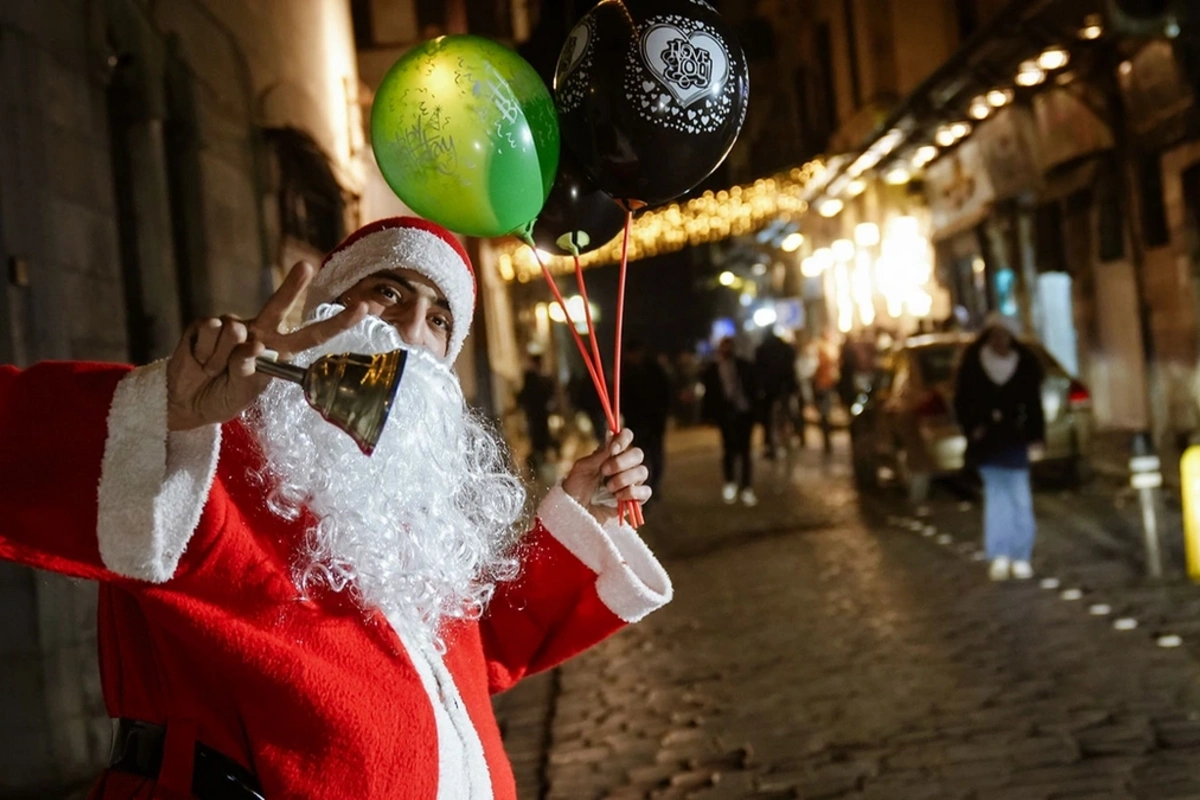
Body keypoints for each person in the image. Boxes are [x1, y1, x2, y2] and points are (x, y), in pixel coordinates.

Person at [0, 216, 670, 799]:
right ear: (327, 314)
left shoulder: (416, 513)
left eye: (438, 319)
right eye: (388, 293)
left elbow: (463, 662)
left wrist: (578, 516)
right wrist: (168, 408)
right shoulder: (220, 450)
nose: (410, 330)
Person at [953, 313, 1045, 582]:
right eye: (995, 335)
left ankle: (1021, 555)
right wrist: (974, 427)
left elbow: (1033, 405)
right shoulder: (974, 364)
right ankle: (1000, 554)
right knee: (997, 498)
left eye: (1004, 335)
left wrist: (1036, 436)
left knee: (1019, 498)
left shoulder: (1025, 365)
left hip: (1015, 441)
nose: (1000, 340)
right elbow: (962, 402)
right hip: (988, 444)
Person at [701, 337, 758, 506]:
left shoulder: (743, 365)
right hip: (726, 415)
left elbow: (752, 386)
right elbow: (710, 395)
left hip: (744, 412)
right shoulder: (713, 370)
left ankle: (746, 486)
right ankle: (730, 482)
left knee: (745, 451)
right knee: (728, 450)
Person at [620, 340, 673, 497]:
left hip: (654, 421)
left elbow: (665, 392)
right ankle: (645, 488)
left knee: (656, 455)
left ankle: (655, 487)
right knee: (641, 457)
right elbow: (622, 398)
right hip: (636, 423)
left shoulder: (653, 369)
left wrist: (663, 414)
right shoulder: (626, 372)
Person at [754, 331, 799, 460]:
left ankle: (772, 445)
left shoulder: (763, 349)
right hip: (784, 388)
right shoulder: (785, 348)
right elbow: (791, 367)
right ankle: (791, 438)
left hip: (771, 389)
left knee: (770, 419)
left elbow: (759, 371)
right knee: (787, 414)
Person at [517, 353, 556, 474]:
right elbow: (526, 396)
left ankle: (540, 459)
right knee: (537, 436)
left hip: (539, 414)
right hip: (535, 414)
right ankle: (538, 462)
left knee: (540, 436)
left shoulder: (540, 378)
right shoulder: (531, 378)